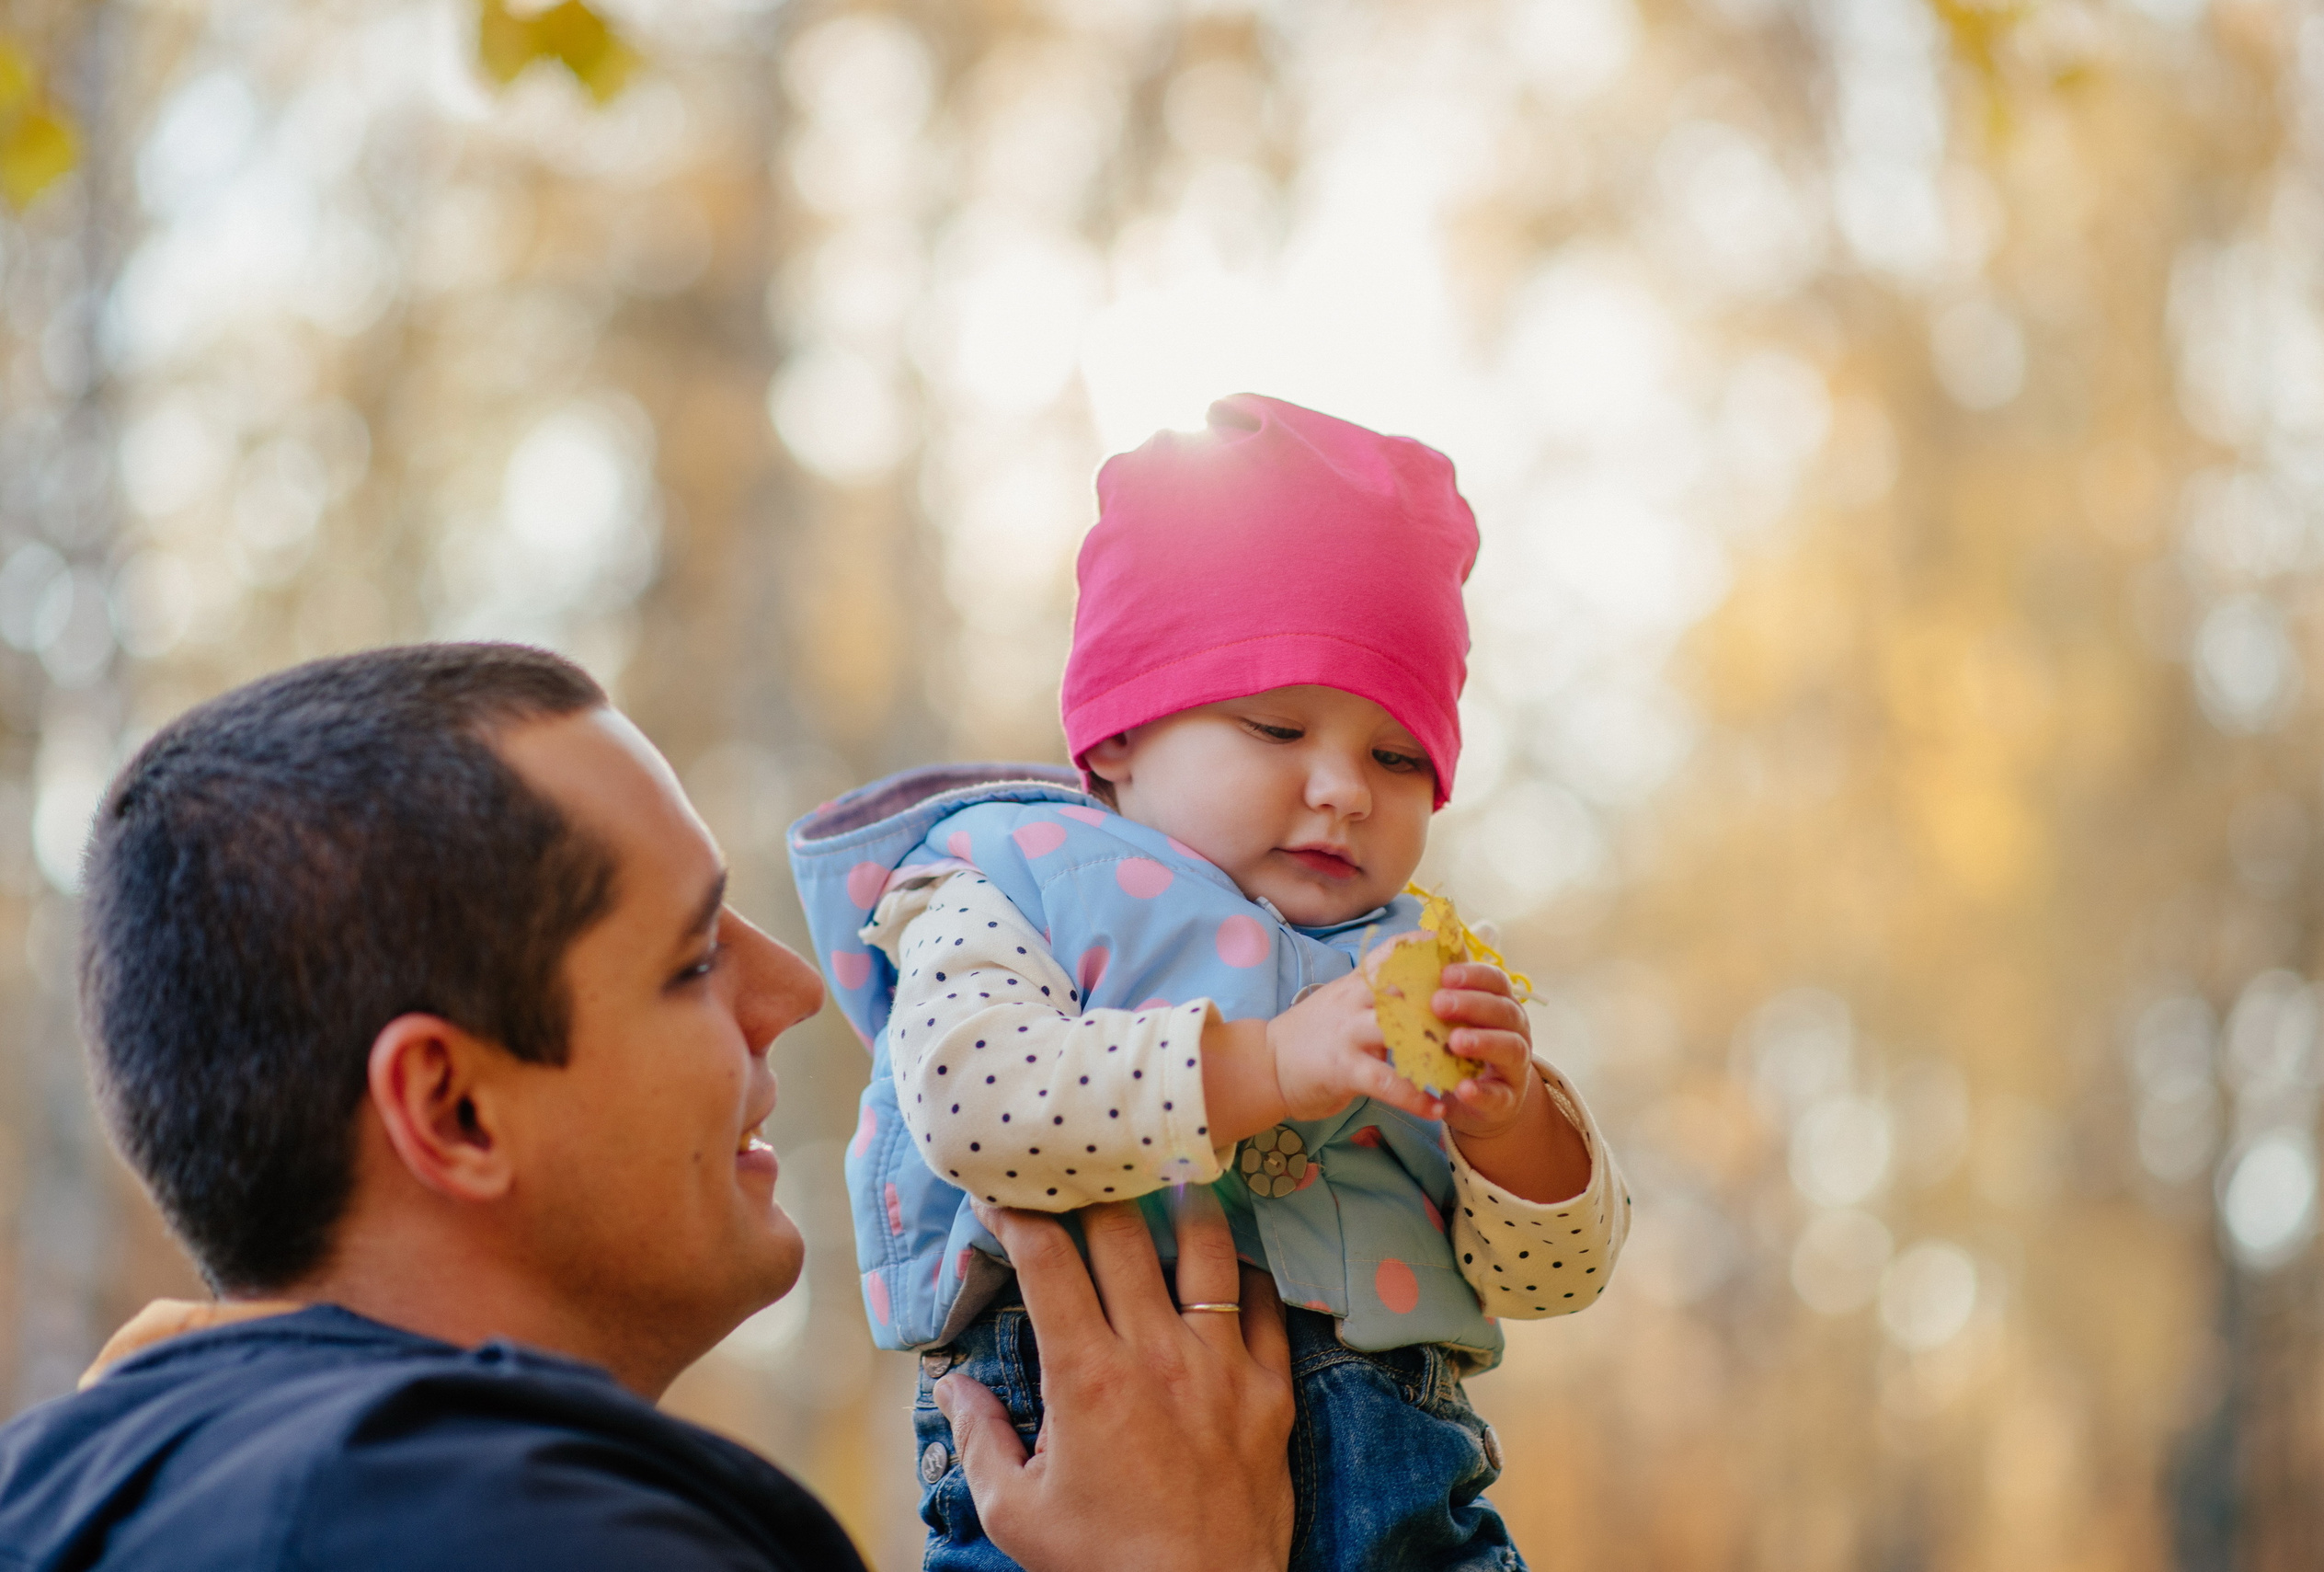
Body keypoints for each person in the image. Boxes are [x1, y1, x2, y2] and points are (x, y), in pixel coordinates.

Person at [0, 644, 1297, 1572]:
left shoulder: (72, 1484)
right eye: (690, 960)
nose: (793, 987)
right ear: (452, 1110)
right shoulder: (504, 1526)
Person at [791, 396, 1632, 1571]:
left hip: (1409, 1483)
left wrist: (1512, 1125)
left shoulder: (1411, 961)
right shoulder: (1007, 881)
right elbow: (974, 1104)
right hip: (1074, 1459)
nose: (1343, 787)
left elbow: (1555, 1277)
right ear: (1118, 740)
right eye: (1276, 725)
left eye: (1397, 756)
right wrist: (1269, 1065)